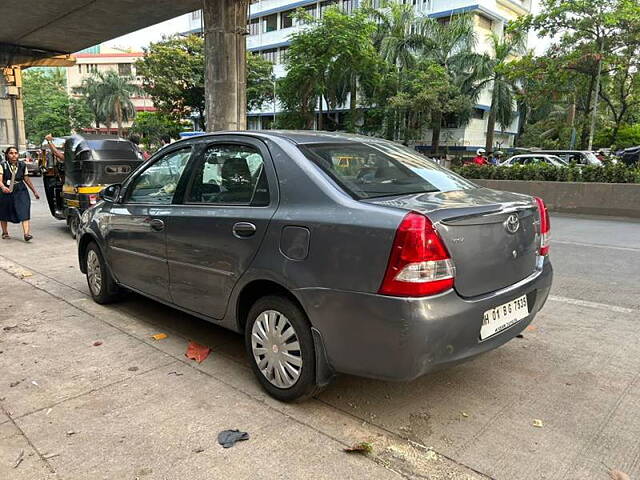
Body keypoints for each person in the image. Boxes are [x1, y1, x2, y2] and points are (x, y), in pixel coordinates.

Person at [0, 147, 40, 241]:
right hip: (6, 190)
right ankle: (5, 232)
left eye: (15, 153)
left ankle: (26, 234)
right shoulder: (3, 165)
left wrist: (34, 191)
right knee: (4, 211)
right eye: (11, 153)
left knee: (24, 209)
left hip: (20, 189)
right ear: (7, 155)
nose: (14, 155)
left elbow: (26, 179)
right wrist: (3, 187)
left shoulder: (22, 165)